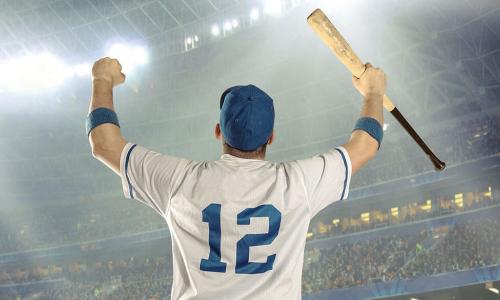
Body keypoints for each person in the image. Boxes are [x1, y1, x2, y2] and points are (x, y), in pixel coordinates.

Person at [86, 57, 386, 299]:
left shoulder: (179, 180)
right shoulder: (298, 183)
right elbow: (366, 144)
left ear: (219, 131)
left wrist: (102, 79)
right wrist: (374, 92)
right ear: (271, 137)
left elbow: (104, 144)